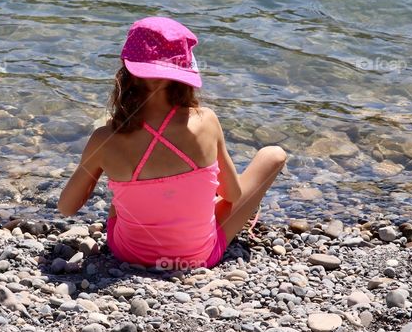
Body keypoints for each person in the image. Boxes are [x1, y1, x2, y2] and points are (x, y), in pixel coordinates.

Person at [58, 16, 286, 270]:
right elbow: (232, 195)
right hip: (197, 257)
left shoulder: (105, 137)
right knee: (273, 155)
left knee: (124, 192)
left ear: (127, 71)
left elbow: (67, 207)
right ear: (184, 74)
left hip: (128, 252)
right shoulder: (206, 121)